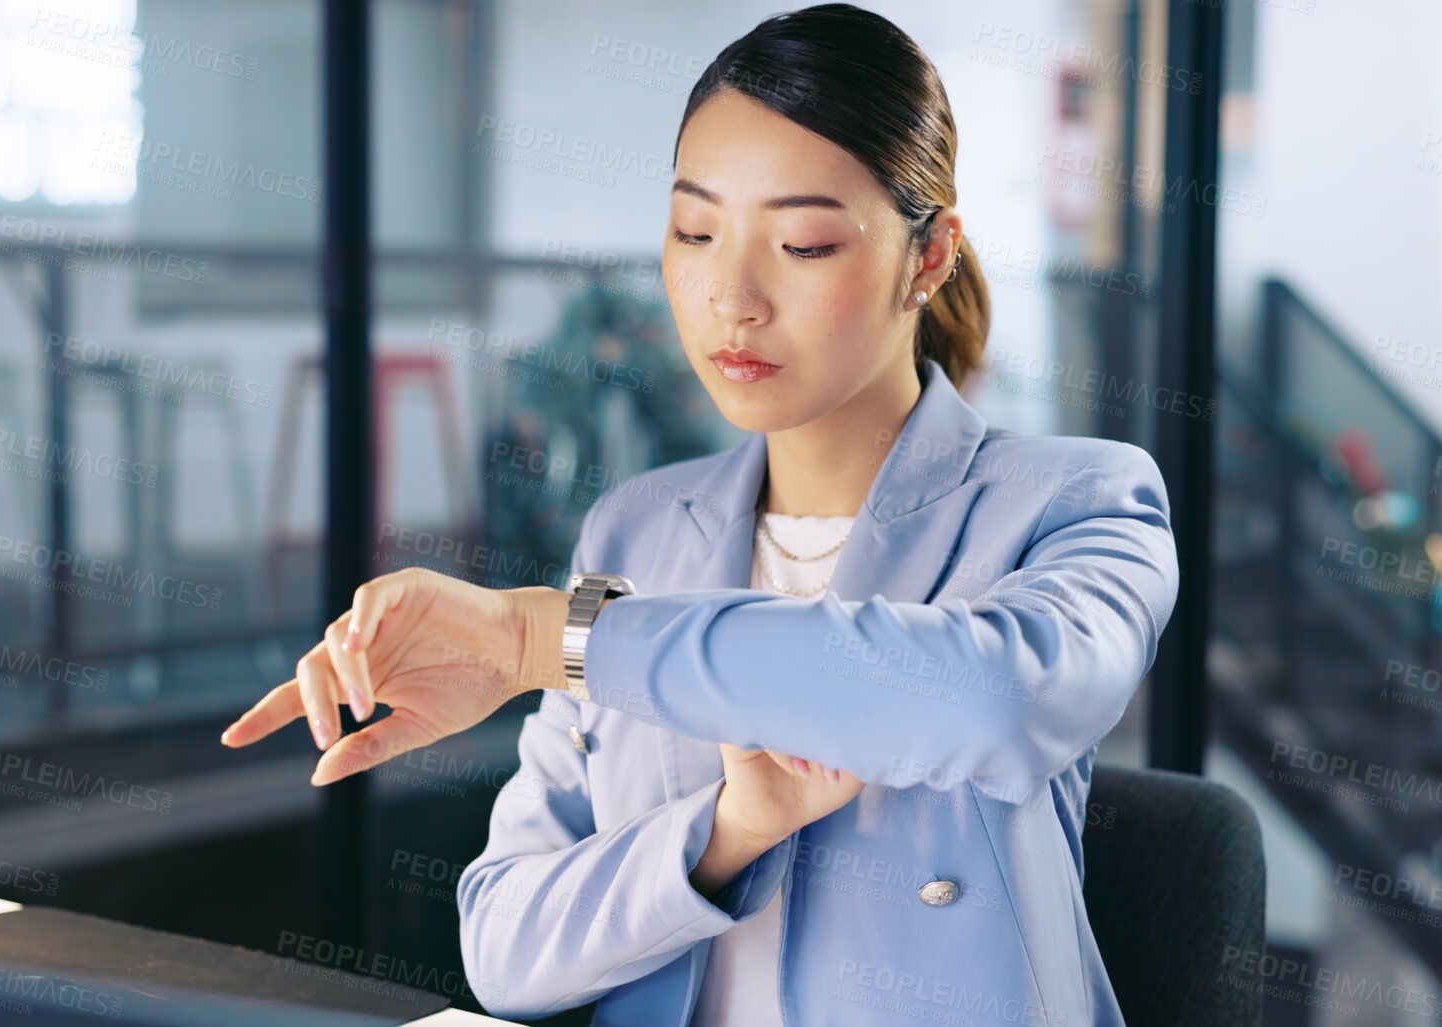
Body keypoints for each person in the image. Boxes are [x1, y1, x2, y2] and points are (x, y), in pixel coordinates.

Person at [222, 5, 1176, 1024]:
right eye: (695, 231)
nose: (732, 295)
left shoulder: (1080, 499)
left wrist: (541, 636)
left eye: (803, 244)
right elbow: (505, 951)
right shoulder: (637, 531)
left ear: (930, 256)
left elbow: (989, 700)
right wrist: (725, 829)